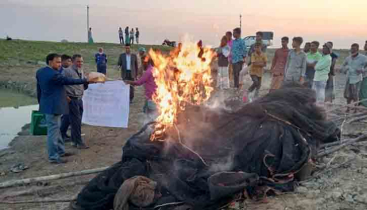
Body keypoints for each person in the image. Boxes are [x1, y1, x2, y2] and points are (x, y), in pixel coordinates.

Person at [36, 53, 93, 164]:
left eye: (60, 62)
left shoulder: (40, 72)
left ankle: (61, 151)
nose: (60, 64)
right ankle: (53, 157)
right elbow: (68, 81)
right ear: (50, 62)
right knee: (53, 132)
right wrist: (86, 80)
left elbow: (39, 90)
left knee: (56, 130)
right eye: (57, 62)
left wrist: (41, 103)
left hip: (49, 104)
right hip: (53, 106)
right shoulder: (53, 74)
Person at [62, 54, 90, 149]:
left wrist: (87, 83)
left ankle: (74, 140)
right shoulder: (66, 71)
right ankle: (79, 142)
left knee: (77, 121)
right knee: (76, 121)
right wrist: (65, 96)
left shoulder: (80, 70)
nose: (80, 63)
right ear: (73, 61)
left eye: (81, 61)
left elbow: (82, 84)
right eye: (78, 61)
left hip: (79, 98)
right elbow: (60, 84)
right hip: (71, 99)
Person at [342, 44, 367, 112]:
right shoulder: (348, 58)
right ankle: (348, 108)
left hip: (357, 79)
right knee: (347, 94)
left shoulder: (363, 58)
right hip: (349, 78)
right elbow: (343, 66)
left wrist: (362, 70)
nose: (353, 50)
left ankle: (356, 109)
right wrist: (345, 69)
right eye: (352, 48)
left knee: (355, 94)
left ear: (357, 49)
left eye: (354, 49)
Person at [60, 54, 72, 141]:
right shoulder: (61, 71)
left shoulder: (66, 70)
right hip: (64, 97)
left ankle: (63, 133)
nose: (70, 62)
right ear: (63, 61)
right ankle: (62, 135)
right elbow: (61, 85)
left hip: (67, 96)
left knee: (67, 117)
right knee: (66, 116)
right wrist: (65, 95)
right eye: (68, 61)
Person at [360, 43, 367, 107]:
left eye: (366, 45)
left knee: (364, 90)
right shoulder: (365, 55)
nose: (364, 46)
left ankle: (364, 105)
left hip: (365, 75)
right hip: (364, 75)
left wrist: (362, 70)